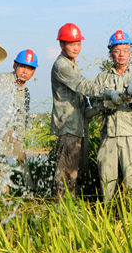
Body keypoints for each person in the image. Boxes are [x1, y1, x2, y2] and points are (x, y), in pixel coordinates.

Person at [51, 23, 127, 199]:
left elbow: (82, 101)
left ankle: (72, 208)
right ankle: (62, 210)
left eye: (78, 43)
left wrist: (103, 105)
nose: (76, 48)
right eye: (71, 44)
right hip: (68, 127)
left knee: (76, 173)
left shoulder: (72, 63)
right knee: (66, 175)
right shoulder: (61, 66)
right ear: (61, 44)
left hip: (78, 126)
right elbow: (83, 86)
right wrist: (110, 93)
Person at [92, 30, 132, 200]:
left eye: (125, 50)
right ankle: (107, 213)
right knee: (106, 182)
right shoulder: (102, 78)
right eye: (117, 50)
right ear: (110, 53)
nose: (121, 54)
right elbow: (93, 103)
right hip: (109, 137)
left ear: (130, 52)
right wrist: (108, 104)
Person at [0, 49, 38, 162]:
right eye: (22, 66)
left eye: (29, 68)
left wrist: (19, 147)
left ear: (33, 72)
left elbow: (21, 120)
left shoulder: (25, 93)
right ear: (15, 65)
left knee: (3, 167)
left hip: (5, 138)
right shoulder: (2, 80)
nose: (25, 71)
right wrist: (6, 131)